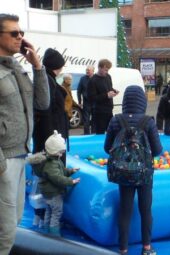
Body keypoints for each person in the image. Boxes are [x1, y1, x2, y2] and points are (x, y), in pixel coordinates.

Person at [0, 13, 50, 254]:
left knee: (15, 219)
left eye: (21, 33)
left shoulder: (17, 67)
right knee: (5, 230)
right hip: (4, 159)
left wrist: (37, 66)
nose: (20, 37)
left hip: (20, 154)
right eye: (14, 33)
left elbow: (42, 103)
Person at [104, 85, 162, 255]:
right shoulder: (148, 121)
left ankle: (123, 249)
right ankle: (146, 248)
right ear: (142, 101)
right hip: (144, 174)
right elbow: (157, 150)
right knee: (146, 210)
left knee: (125, 210)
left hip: (123, 173)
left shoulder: (116, 120)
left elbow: (107, 148)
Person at [33, 48, 69, 228]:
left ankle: (41, 217)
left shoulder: (49, 80)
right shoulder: (48, 82)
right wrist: (54, 143)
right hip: (50, 138)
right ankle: (46, 219)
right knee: (49, 174)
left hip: (49, 136)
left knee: (43, 176)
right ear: (57, 66)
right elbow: (47, 113)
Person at [37, 131, 80, 236]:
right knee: (56, 213)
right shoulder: (51, 164)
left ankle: (46, 230)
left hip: (47, 193)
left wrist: (70, 171)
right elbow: (57, 178)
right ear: (54, 151)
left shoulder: (53, 160)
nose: (62, 154)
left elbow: (61, 171)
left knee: (49, 211)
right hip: (53, 194)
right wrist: (71, 181)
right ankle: (54, 234)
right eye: (60, 152)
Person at [88, 59, 119, 134]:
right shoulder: (93, 80)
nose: (107, 72)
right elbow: (92, 98)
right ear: (99, 68)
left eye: (108, 70)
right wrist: (107, 95)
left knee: (111, 133)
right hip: (99, 113)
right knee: (100, 134)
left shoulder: (108, 76)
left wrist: (114, 91)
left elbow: (108, 88)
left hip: (109, 110)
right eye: (105, 70)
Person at [77, 65, 95, 134]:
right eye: (86, 70)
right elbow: (79, 91)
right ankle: (86, 134)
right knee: (86, 121)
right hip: (86, 103)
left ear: (93, 71)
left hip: (95, 103)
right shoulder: (83, 79)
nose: (87, 71)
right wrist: (79, 101)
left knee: (94, 120)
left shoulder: (96, 78)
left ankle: (93, 134)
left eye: (88, 70)